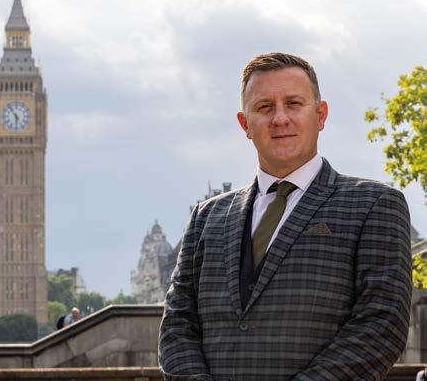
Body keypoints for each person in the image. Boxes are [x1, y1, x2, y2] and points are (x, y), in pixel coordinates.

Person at [158, 52, 412, 381]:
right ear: (245, 124)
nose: (280, 119)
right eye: (265, 107)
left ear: (320, 115)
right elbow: (177, 326)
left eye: (293, 104)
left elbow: (381, 326)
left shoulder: (374, 204)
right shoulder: (206, 217)